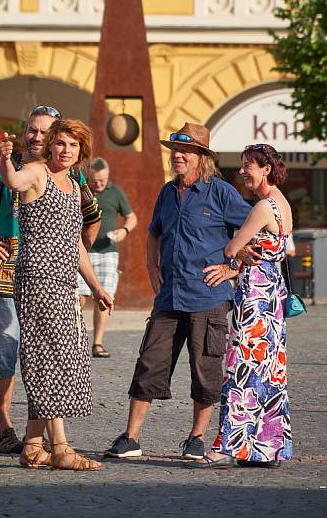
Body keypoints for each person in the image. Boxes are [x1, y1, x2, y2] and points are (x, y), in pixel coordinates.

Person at [0, 105, 101, 454]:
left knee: (44, 353)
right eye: (32, 130)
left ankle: (37, 438)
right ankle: (6, 428)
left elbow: (92, 216)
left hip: (54, 276)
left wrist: (75, 251)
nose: (36, 136)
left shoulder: (72, 175)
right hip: (8, 272)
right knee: (7, 348)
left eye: (44, 131)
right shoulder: (12, 168)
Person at [104, 122, 251, 461]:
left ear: (202, 157)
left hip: (209, 297)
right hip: (169, 295)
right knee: (149, 364)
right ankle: (131, 438)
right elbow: (153, 232)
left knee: (205, 370)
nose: (178, 156)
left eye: (185, 151)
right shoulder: (167, 193)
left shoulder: (221, 192)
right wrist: (152, 268)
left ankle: (196, 438)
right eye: (175, 150)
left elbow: (254, 229)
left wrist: (232, 268)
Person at [0, 119, 114, 471]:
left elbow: (75, 243)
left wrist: (95, 286)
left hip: (64, 283)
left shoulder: (74, 185)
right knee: (52, 359)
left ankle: (33, 446)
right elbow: (12, 181)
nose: (66, 150)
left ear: (82, 152)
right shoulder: (35, 171)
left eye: (73, 145)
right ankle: (61, 448)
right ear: (50, 144)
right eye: (61, 143)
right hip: (38, 279)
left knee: (64, 357)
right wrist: (6, 158)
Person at [190, 143, 293, 469]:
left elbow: (232, 247)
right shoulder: (283, 205)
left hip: (254, 297)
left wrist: (237, 248)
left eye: (248, 165)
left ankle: (226, 446)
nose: (243, 171)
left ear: (266, 169)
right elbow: (288, 249)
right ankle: (266, 448)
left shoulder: (262, 207)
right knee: (270, 372)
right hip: (273, 294)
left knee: (241, 369)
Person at [78, 157, 137, 358]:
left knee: (104, 297)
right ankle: (75, 339)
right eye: (96, 180)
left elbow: (131, 217)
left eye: (103, 180)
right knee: (77, 297)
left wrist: (125, 231)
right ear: (89, 177)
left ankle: (97, 343)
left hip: (108, 253)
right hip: (82, 251)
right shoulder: (80, 190)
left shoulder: (115, 192)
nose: (100, 184)